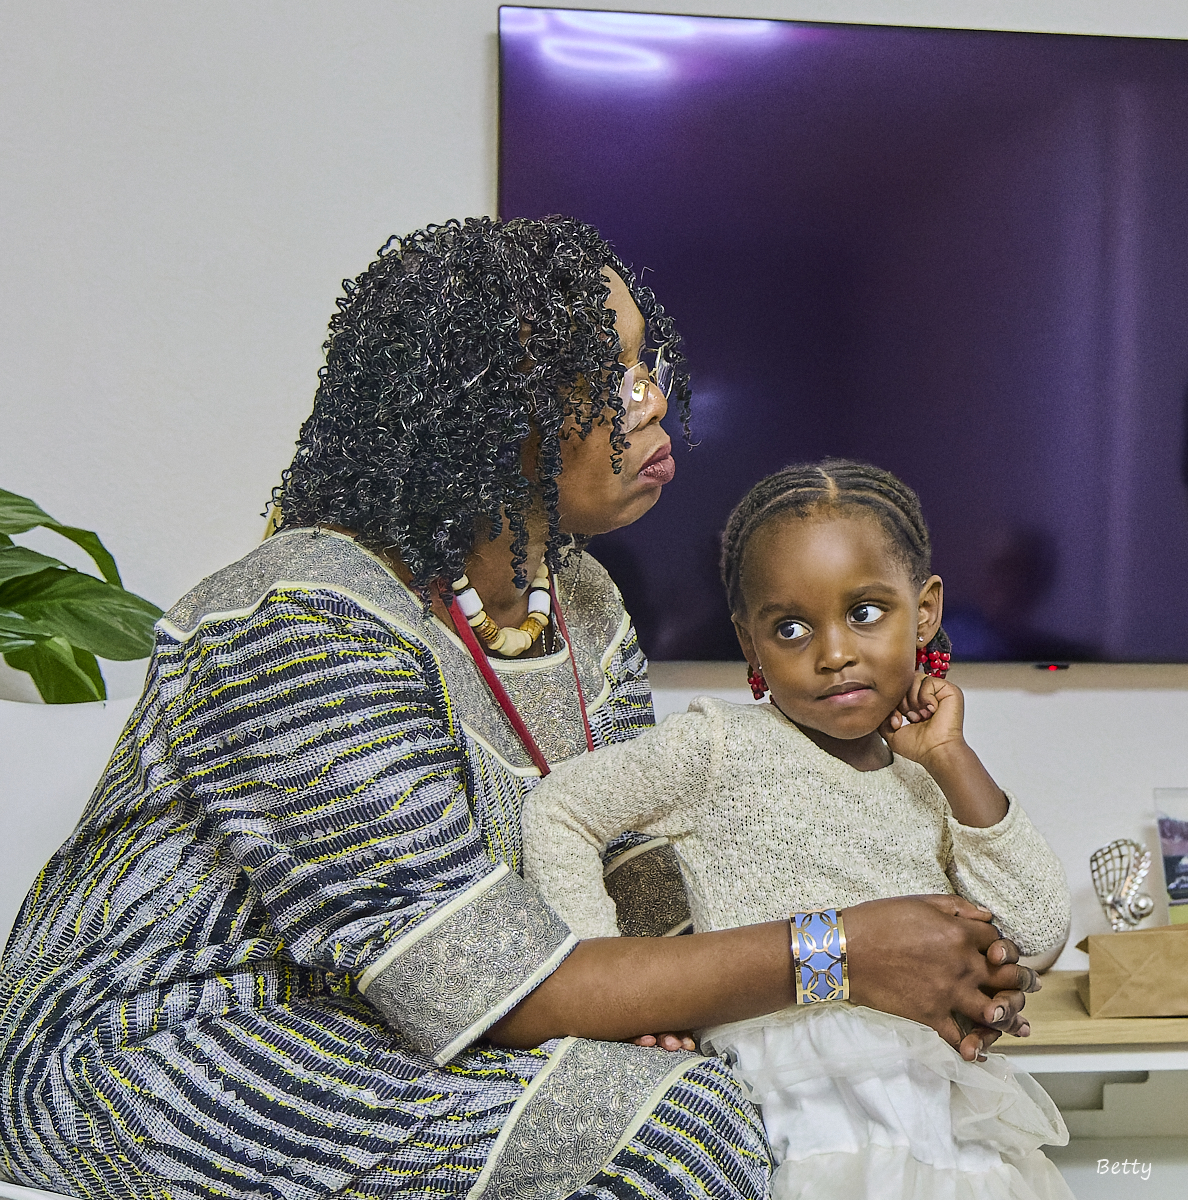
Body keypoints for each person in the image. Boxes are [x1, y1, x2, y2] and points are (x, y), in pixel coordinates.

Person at [0, 220, 1037, 1200]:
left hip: (401, 1024)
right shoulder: (301, 618)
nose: (652, 402)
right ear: (485, 411)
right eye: (609, 374)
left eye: (647, 364)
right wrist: (838, 954)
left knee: (765, 1082)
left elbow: (631, 866)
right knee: (680, 1131)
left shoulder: (582, 602)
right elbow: (474, 984)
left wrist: (930, 969)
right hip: (163, 1045)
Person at [522, 459, 1074, 1199]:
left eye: (866, 612)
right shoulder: (719, 747)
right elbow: (560, 808)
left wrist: (952, 759)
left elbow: (1037, 928)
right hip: (800, 1109)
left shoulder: (928, 776)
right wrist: (618, 989)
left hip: (938, 1111)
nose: (834, 652)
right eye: (790, 628)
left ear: (926, 611)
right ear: (749, 644)